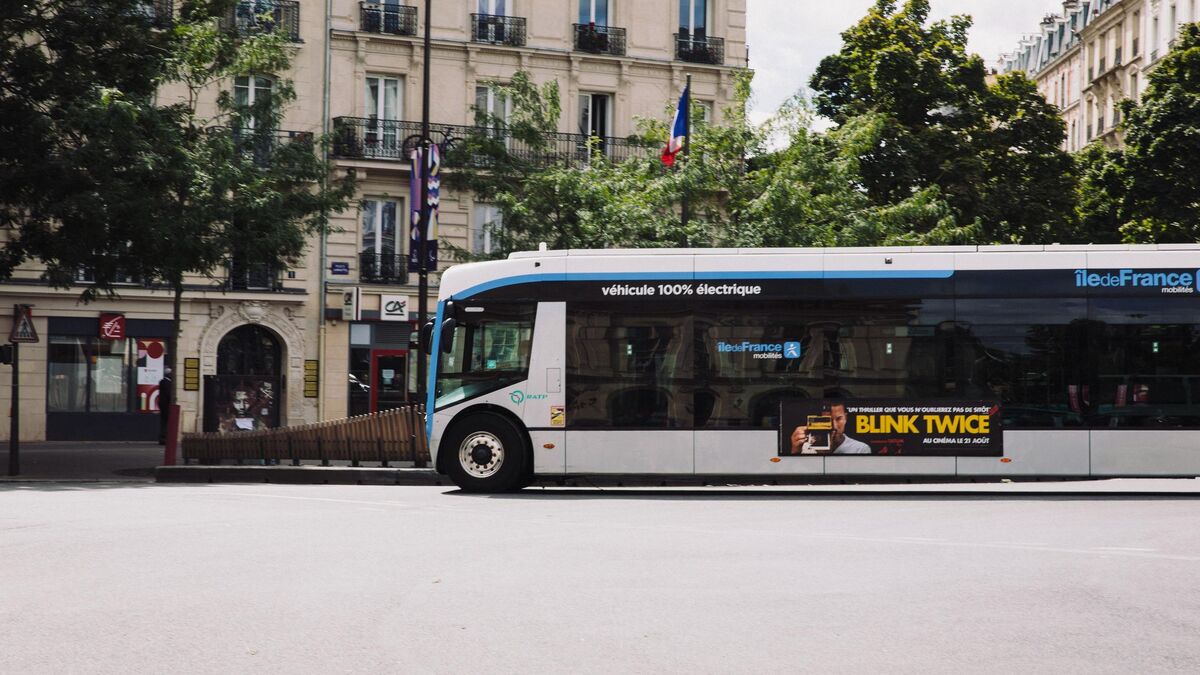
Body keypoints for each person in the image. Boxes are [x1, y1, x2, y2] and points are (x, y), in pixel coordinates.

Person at [790, 402, 871, 455]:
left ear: (846, 418)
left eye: (839, 419)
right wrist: (795, 452)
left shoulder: (860, 449)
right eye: (827, 420)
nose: (834, 426)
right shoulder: (805, 447)